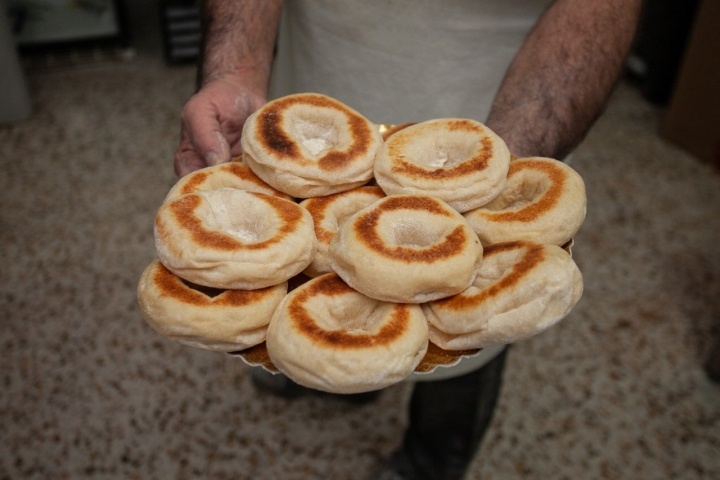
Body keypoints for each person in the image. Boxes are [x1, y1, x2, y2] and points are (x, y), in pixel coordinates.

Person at [173, 1, 642, 479]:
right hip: (302, 116)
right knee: (316, 312)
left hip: (500, 106)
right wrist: (235, 69)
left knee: (466, 338)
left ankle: (430, 459)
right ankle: (324, 370)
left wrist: (500, 169)